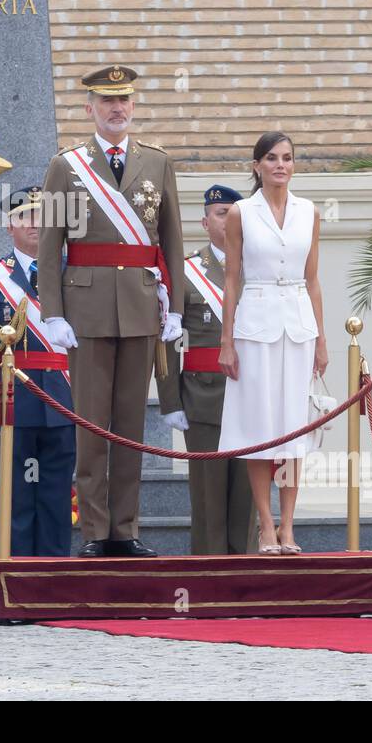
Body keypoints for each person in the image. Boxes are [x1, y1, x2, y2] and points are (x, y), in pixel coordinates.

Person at [36, 65, 185, 557]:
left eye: (124, 101)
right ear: (90, 110)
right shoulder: (67, 166)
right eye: (107, 102)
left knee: (131, 426)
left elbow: (173, 239)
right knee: (92, 425)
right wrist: (52, 313)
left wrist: (176, 306)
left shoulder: (158, 162)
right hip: (86, 309)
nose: (117, 108)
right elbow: (51, 244)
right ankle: (95, 532)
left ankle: (127, 528)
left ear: (133, 107)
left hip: (141, 306)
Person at [218, 134, 327, 556]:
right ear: (256, 164)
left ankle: (289, 525)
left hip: (298, 323)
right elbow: (231, 279)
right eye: (271, 158)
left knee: (294, 427)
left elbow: (313, 278)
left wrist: (321, 338)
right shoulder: (241, 213)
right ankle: (265, 525)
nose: (280, 165)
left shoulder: (308, 211)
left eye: (287, 158)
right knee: (259, 426)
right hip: (256, 322)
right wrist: (226, 341)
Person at [0, 185, 76, 556]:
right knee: (14, 498)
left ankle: (54, 582)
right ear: (9, 225)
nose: (35, 224)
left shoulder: (74, 273)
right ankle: (14, 582)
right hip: (12, 401)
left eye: (42, 216)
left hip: (65, 398)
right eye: (25, 216)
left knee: (57, 497)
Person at [158, 185, 257, 555]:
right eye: (220, 213)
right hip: (202, 396)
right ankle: (208, 574)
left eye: (235, 213)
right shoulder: (185, 272)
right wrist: (170, 401)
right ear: (204, 222)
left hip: (253, 393)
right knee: (208, 494)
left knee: (248, 494)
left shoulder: (260, 268)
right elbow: (166, 338)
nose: (229, 219)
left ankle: (244, 576)